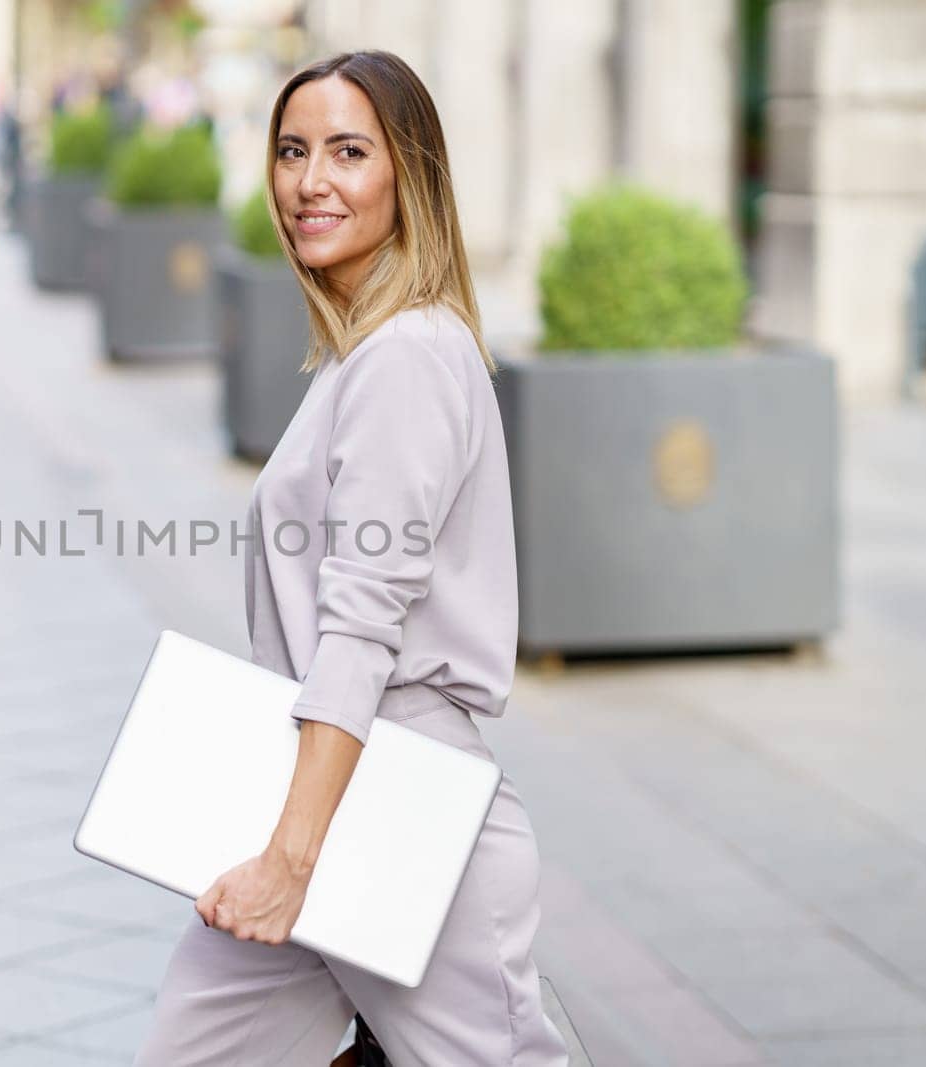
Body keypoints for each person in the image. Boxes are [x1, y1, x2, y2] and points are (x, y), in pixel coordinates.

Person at [133, 51, 571, 1067]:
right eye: (291, 151)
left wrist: (291, 858)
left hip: (400, 801)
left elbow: (362, 623)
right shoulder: (365, 354)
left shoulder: (409, 356)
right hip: (327, 784)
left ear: (405, 174)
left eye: (347, 151)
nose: (309, 180)